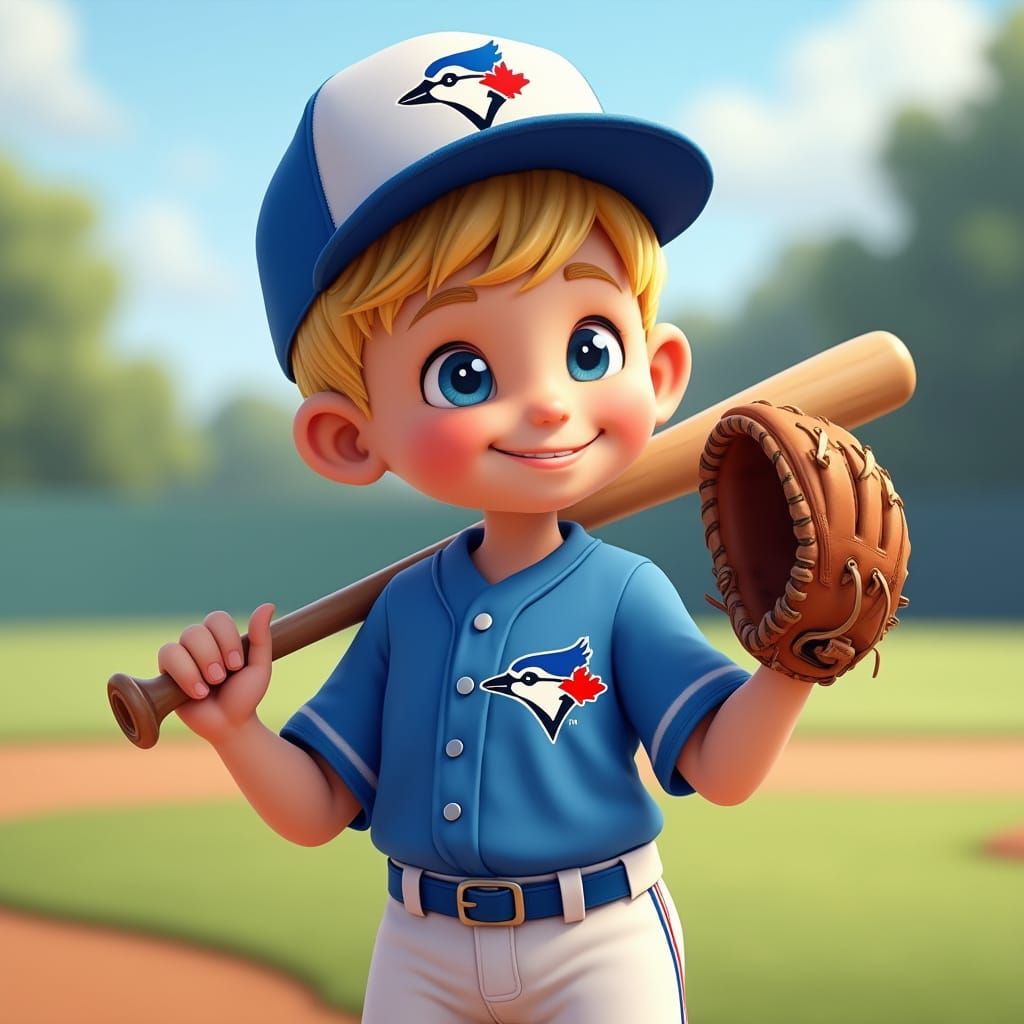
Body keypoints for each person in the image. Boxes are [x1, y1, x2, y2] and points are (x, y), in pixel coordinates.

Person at [156, 33, 816, 1023]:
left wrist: (792, 665)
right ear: (346, 435)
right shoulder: (405, 611)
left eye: (590, 347)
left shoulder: (624, 593)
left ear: (661, 371)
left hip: (599, 941)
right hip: (417, 946)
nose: (550, 403)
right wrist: (235, 730)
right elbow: (315, 809)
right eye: (462, 371)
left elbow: (717, 771)